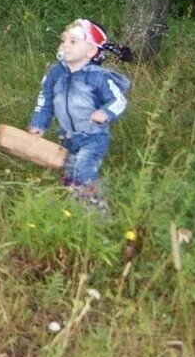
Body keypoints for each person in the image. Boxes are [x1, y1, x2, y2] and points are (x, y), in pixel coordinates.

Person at [28, 18, 133, 214]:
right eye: (63, 40)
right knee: (69, 172)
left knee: (83, 169)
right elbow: (45, 100)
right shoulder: (55, 74)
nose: (65, 45)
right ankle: (76, 209)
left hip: (93, 137)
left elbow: (120, 101)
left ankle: (98, 213)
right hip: (67, 136)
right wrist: (38, 124)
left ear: (91, 51)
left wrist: (105, 112)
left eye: (73, 41)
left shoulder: (99, 77)